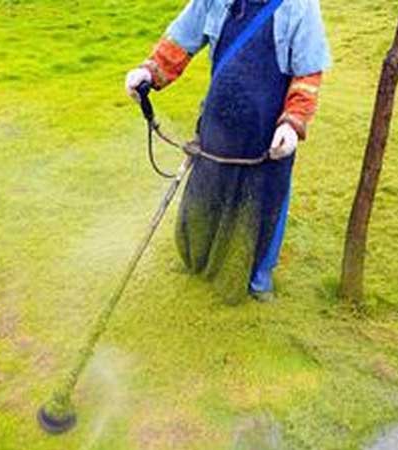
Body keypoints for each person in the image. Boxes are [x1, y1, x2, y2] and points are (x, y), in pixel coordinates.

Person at [125, 0, 330, 302]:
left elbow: (308, 73)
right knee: (207, 191)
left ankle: (258, 277)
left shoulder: (300, 6)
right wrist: (149, 73)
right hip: (217, 121)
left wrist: (292, 122)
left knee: (264, 199)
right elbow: (181, 39)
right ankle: (198, 259)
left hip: (267, 131)